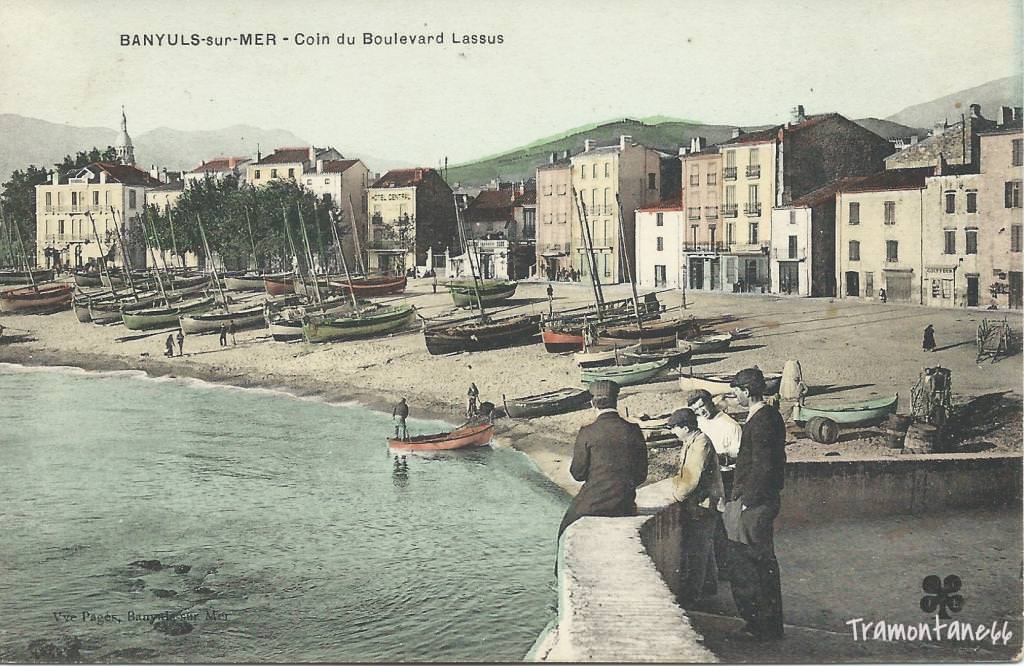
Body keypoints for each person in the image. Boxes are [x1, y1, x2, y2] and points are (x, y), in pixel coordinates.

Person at [723, 368, 786, 641]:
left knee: (749, 563)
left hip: (755, 504)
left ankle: (758, 626)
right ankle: (768, 624)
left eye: (736, 390)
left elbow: (763, 466)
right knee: (762, 563)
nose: (734, 395)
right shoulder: (771, 415)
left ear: (746, 392)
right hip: (764, 501)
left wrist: (747, 502)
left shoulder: (760, 421)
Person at [557, 380, 648, 538]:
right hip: (625, 504)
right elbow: (641, 475)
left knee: (565, 530)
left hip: (593, 504)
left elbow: (577, 474)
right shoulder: (634, 430)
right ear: (616, 401)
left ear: (593, 404)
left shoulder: (587, 432)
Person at [666, 407, 725, 607]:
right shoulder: (692, 441)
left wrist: (676, 495)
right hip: (702, 503)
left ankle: (692, 597)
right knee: (704, 547)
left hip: (703, 504)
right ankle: (709, 587)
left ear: (685, 427)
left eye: (675, 428)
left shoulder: (700, 445)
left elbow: (691, 479)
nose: (673, 432)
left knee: (697, 550)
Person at [686, 389, 742, 462]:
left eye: (702, 406)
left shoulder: (731, 426)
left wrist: (714, 458)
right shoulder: (699, 423)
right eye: (696, 409)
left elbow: (739, 456)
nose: (701, 412)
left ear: (711, 402)